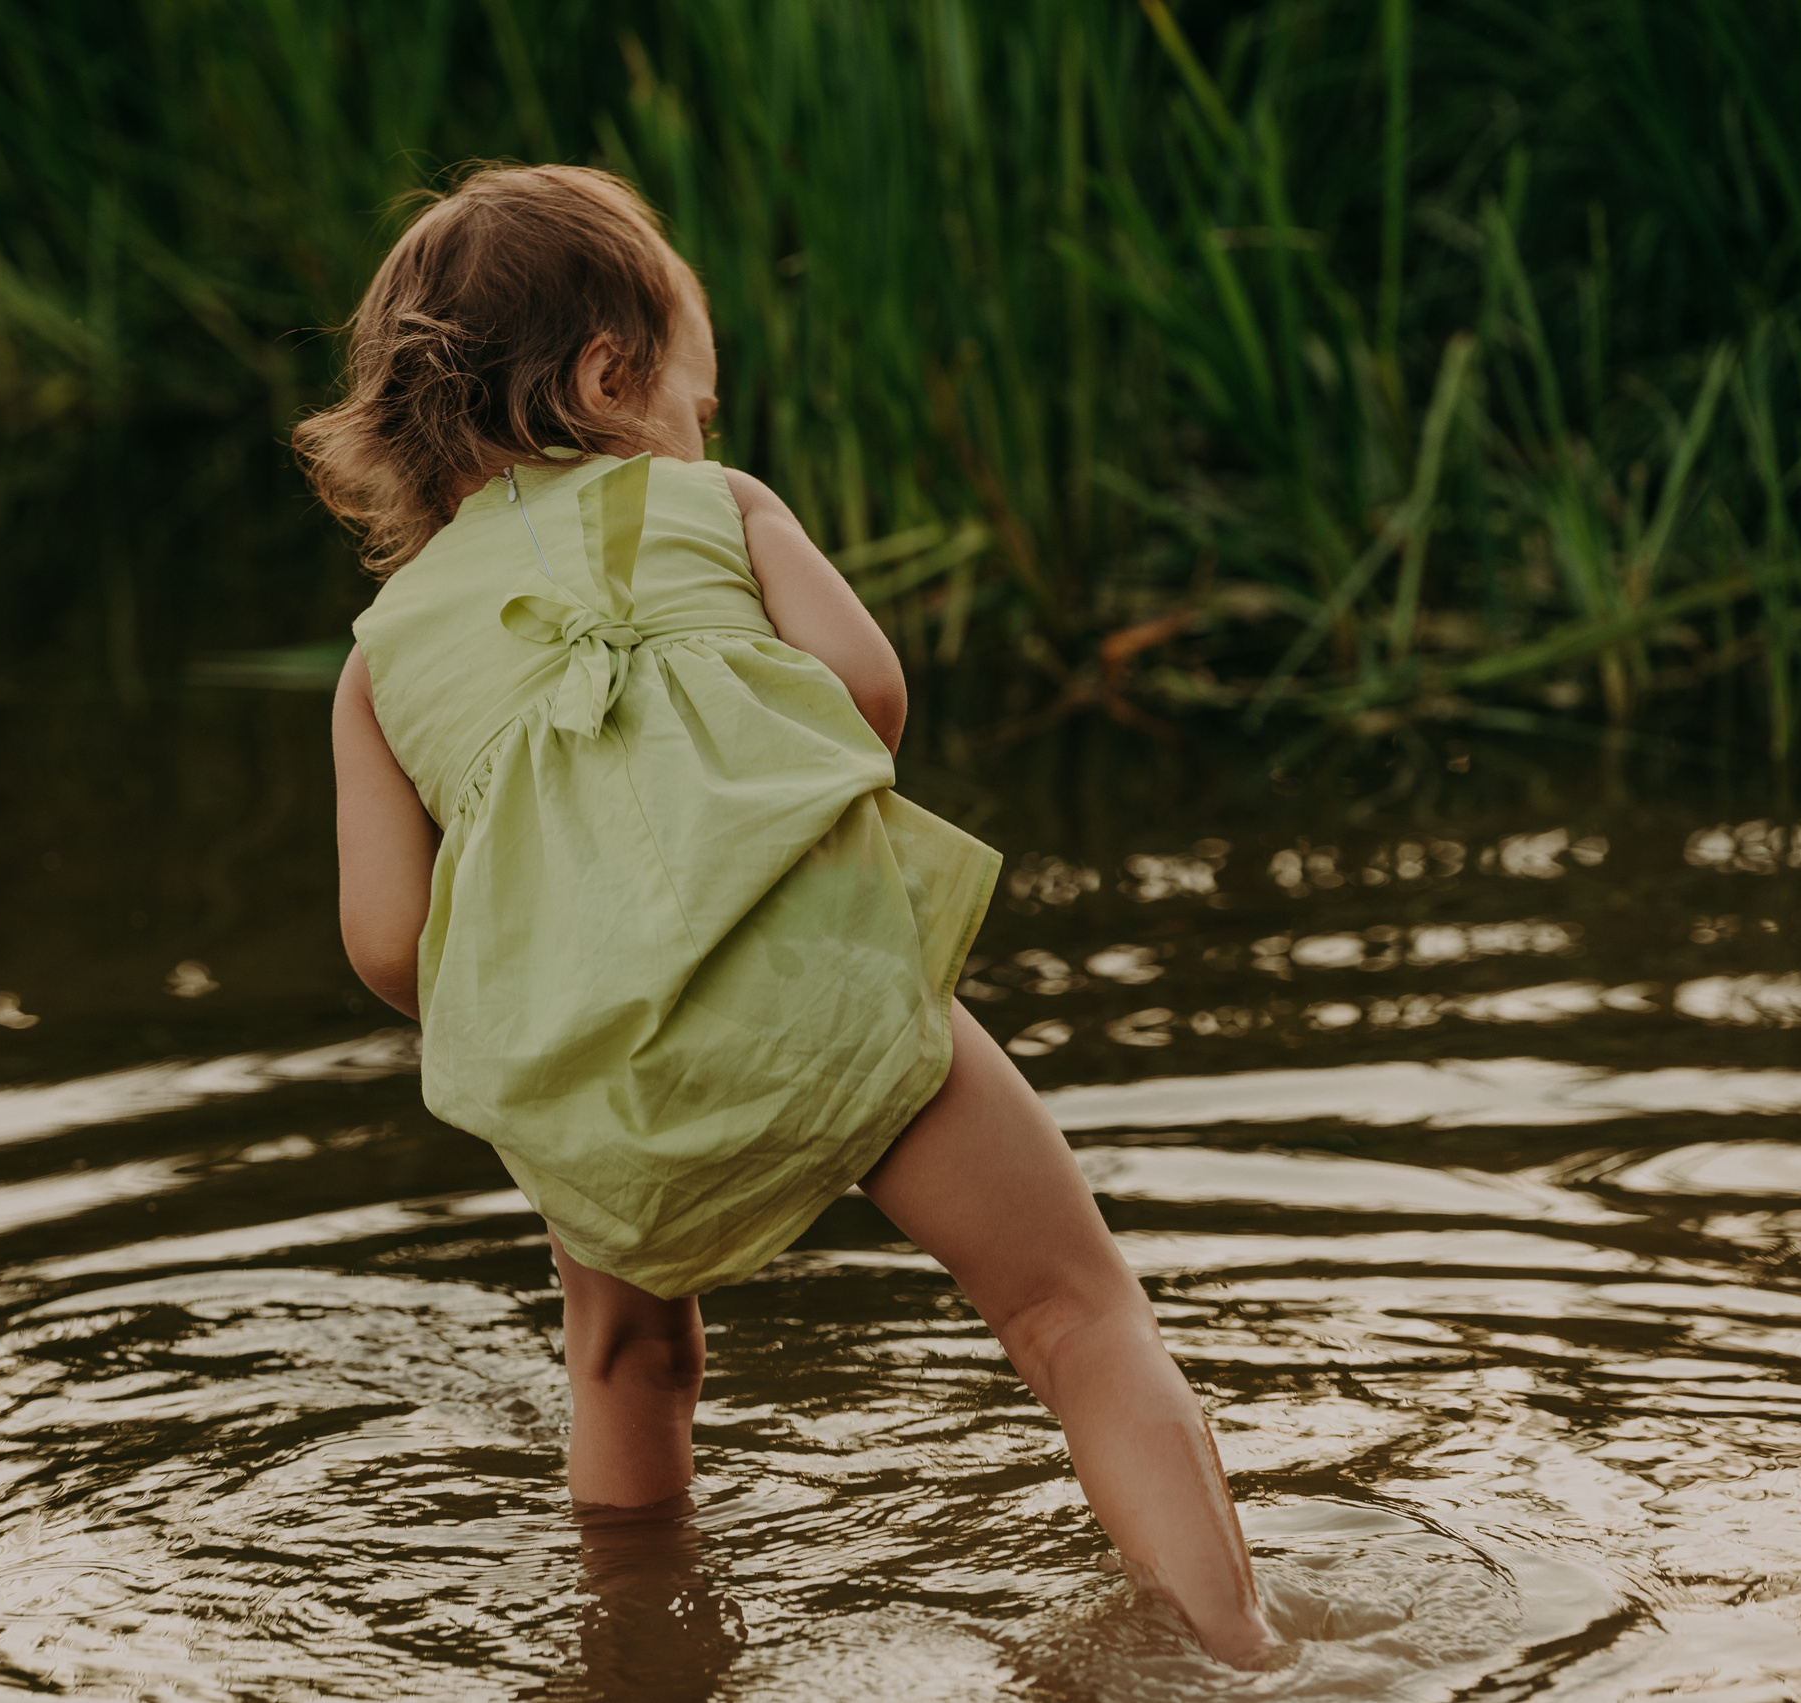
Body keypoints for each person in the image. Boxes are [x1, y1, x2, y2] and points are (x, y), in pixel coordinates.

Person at [302, 162, 1282, 1670]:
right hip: (829, 991)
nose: (708, 426)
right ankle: (1242, 1652)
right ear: (610, 374)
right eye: (701, 393)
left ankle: (645, 1667)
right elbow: (872, 698)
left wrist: (579, 957)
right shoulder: (717, 504)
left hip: (598, 1067)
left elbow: (385, 942)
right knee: (1076, 1316)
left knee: (628, 1360)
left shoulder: (376, 664)